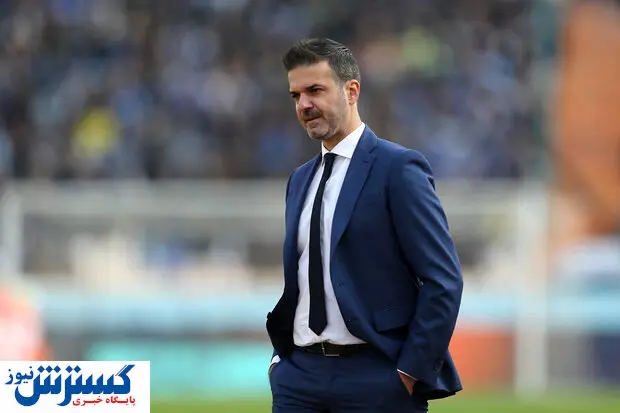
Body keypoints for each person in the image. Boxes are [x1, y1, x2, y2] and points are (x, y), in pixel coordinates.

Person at [266, 38, 463, 413]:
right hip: (299, 381)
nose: (304, 104)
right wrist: (281, 362)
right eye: (296, 95)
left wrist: (409, 371)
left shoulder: (398, 168)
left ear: (351, 91)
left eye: (315, 91)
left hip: (376, 378)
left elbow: (443, 280)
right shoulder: (300, 179)